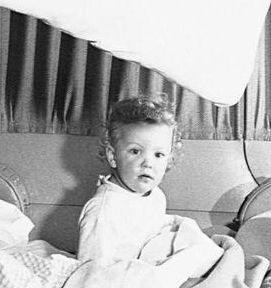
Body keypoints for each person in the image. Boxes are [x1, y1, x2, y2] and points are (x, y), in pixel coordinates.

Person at [76, 95, 189, 262]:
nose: (148, 163)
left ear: (169, 160)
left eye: (158, 154)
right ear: (113, 156)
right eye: (135, 151)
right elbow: (91, 268)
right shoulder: (104, 209)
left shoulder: (156, 195)